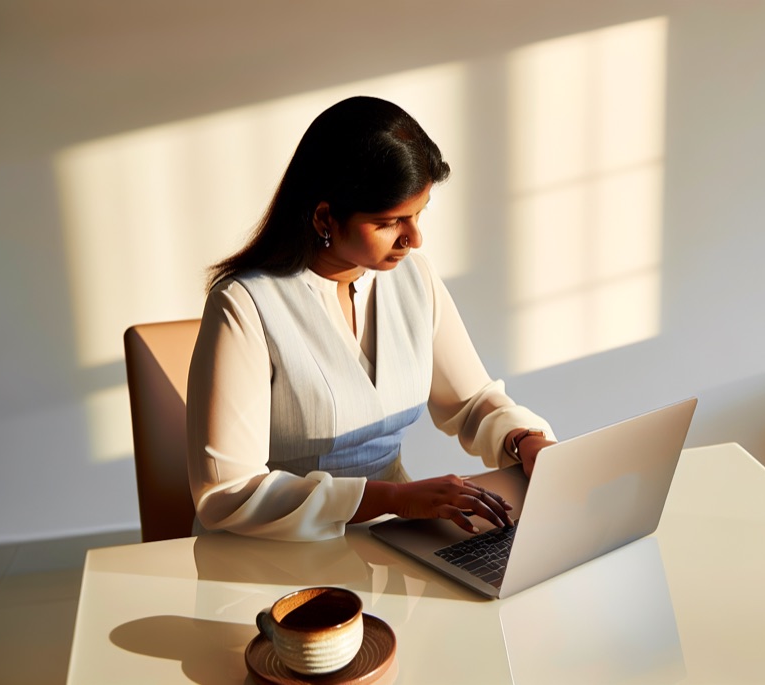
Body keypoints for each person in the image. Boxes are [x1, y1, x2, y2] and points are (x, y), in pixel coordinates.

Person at [185, 96, 556, 542]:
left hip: (393, 533)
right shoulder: (245, 305)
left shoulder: (412, 278)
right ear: (325, 216)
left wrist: (524, 439)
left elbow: (470, 402)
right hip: (275, 540)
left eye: (419, 214)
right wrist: (391, 499)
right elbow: (228, 492)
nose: (413, 239)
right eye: (390, 222)